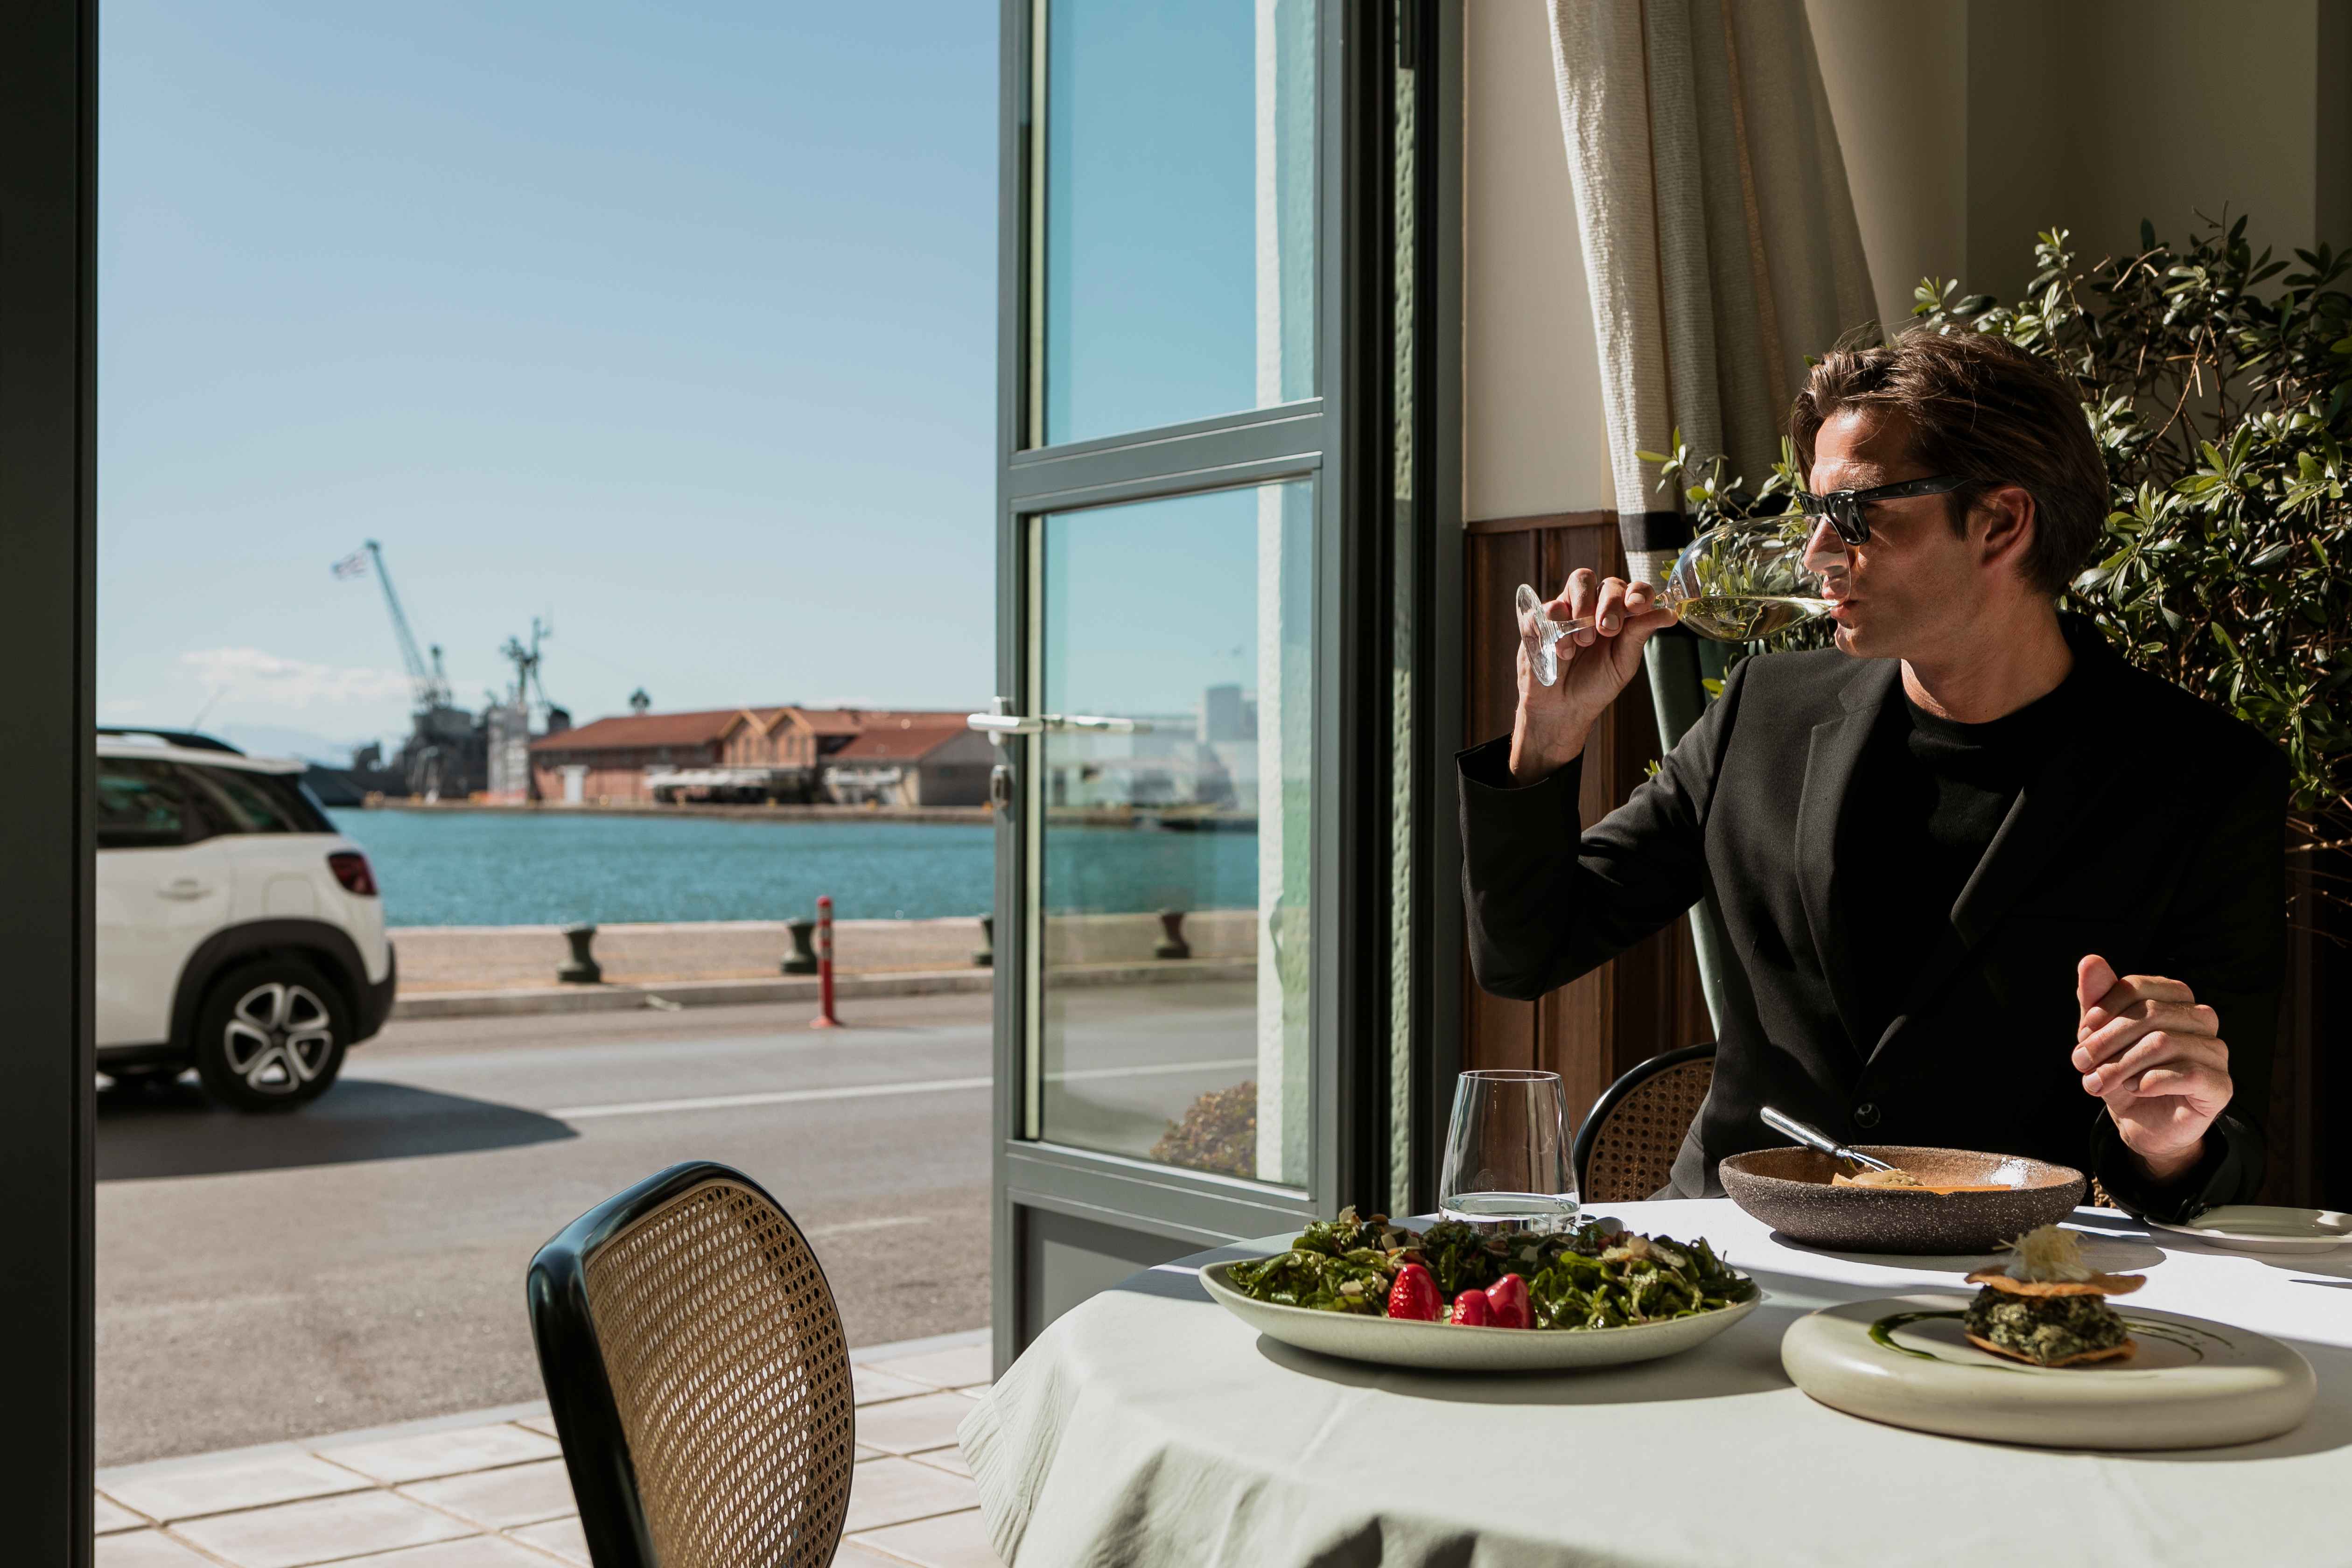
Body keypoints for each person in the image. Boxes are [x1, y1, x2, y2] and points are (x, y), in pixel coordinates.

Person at [1457, 329, 2283, 1219]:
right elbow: (1525, 950)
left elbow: (2222, 1160)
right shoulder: (1762, 709)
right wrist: (1548, 737)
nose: (1816, 552)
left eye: (1854, 514)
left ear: (2001, 523)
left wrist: (2167, 1141)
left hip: (2001, 1287)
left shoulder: (2202, 777)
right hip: (1731, 1253)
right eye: (1813, 514)